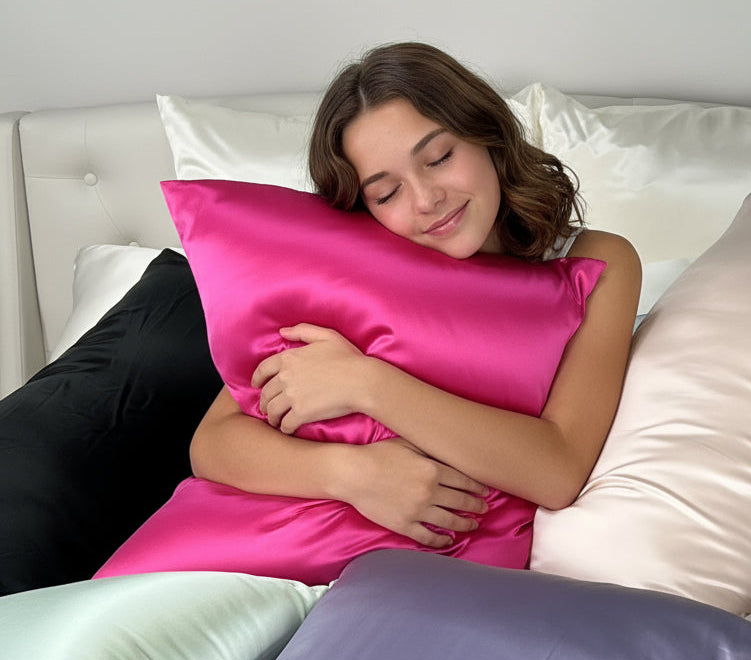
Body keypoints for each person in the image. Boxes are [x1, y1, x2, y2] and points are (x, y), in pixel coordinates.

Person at [189, 42, 641, 551]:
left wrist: (367, 383)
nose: (427, 201)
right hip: (286, 547)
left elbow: (558, 470)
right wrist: (352, 474)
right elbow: (213, 443)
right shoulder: (351, 271)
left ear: (487, 134)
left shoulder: (596, 263)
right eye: (386, 193)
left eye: (439, 157)